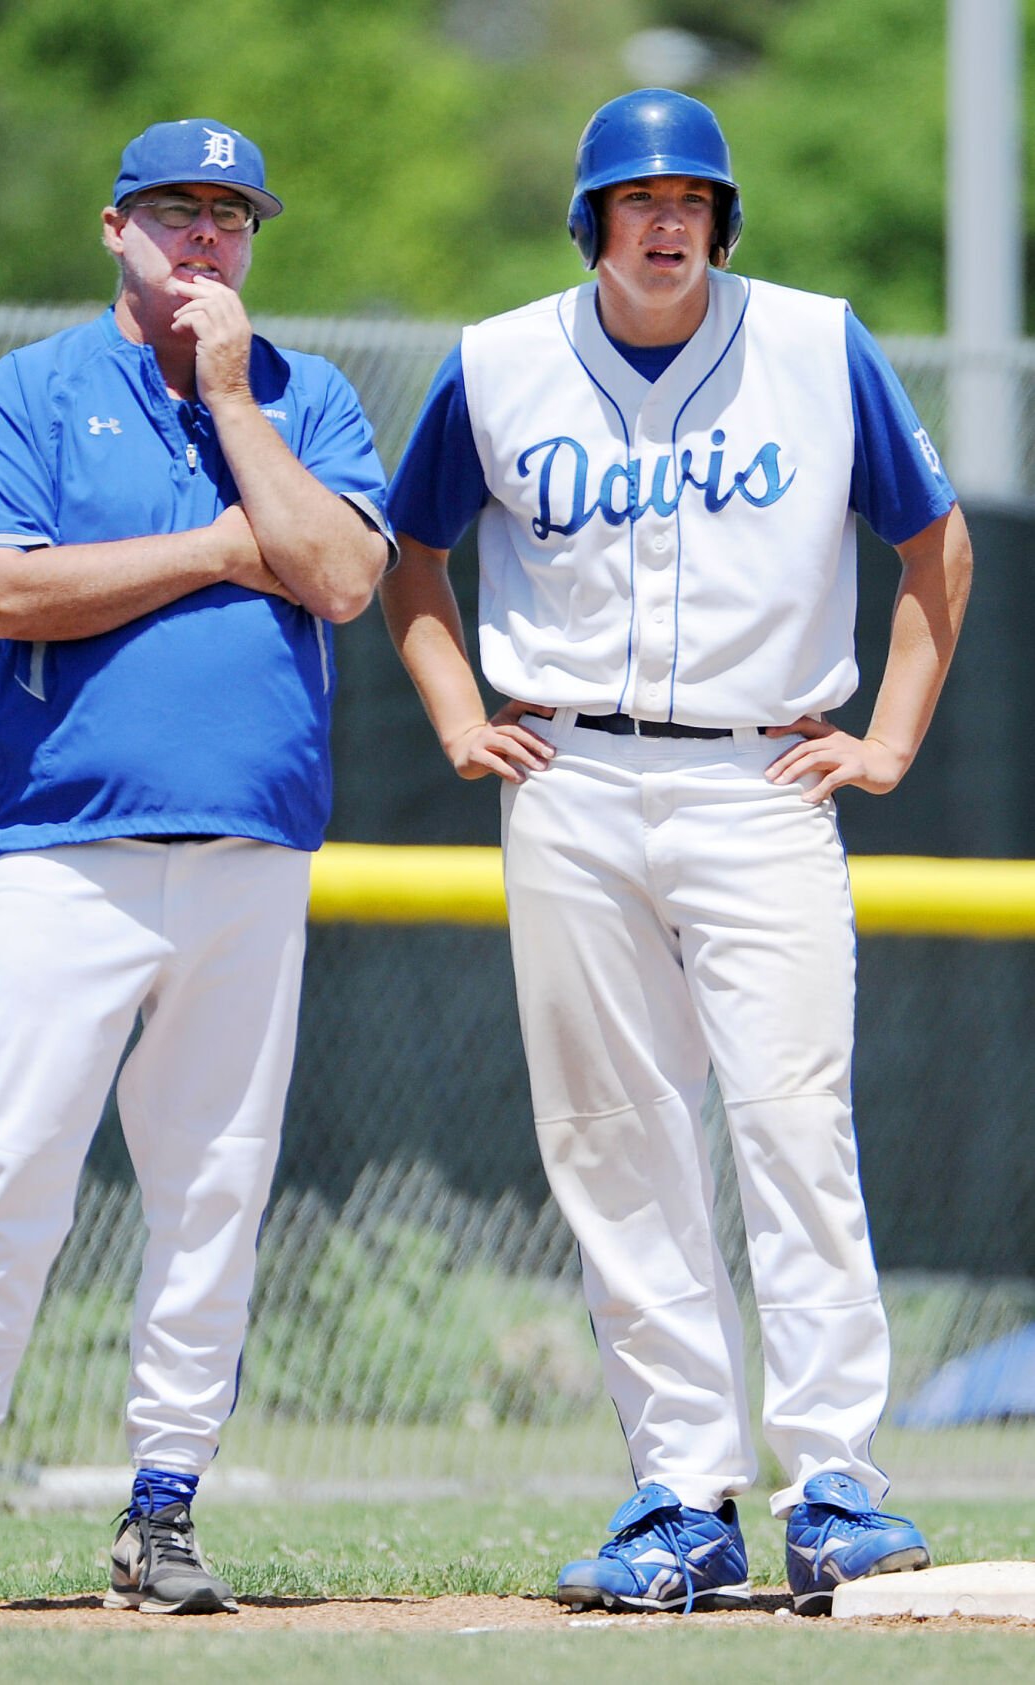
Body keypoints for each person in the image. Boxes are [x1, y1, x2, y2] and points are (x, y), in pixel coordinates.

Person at [381, 88, 971, 1616]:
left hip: (757, 772)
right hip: (569, 773)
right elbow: (411, 552)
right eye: (636, 199)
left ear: (718, 221)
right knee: (610, 1137)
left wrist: (889, 737)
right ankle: (679, 1491)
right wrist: (456, 710)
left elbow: (934, 542)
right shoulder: (501, 359)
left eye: (690, 200)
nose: (664, 222)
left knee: (790, 1120)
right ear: (591, 221)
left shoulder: (811, 338)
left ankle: (833, 1477)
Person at [0, 117, 391, 1619]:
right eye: (171, 213)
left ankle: (165, 1508)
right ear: (113, 228)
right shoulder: (35, 384)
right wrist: (218, 549)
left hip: (250, 852)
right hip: (65, 849)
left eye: (228, 215)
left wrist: (227, 398)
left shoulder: (302, 393)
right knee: (7, 1169)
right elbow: (10, 591)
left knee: (211, 1187)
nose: (202, 240)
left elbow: (337, 575)